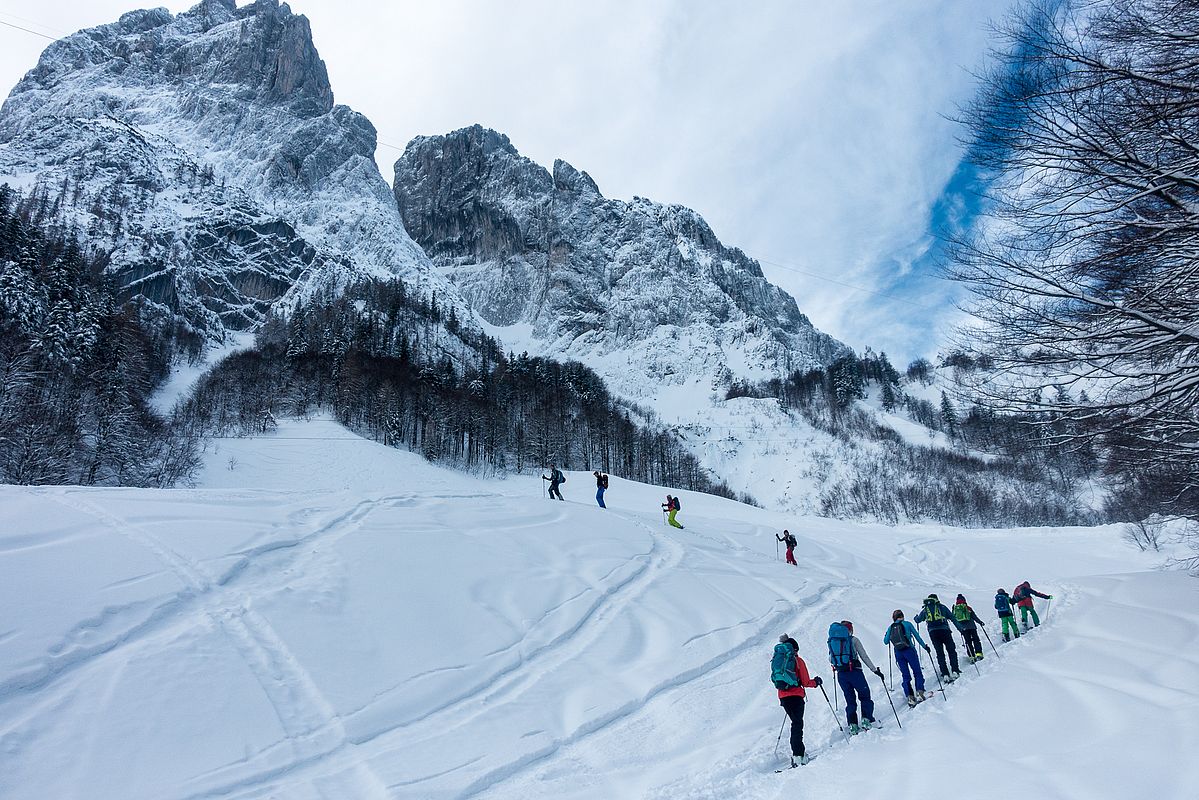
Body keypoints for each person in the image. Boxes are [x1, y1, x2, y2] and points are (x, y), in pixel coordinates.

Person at [772, 634, 822, 767]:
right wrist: (816, 682)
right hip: (796, 696)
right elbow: (805, 682)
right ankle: (798, 755)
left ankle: (798, 753)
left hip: (783, 697)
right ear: (795, 649)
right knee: (797, 724)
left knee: (795, 723)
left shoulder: (778, 659)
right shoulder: (797, 660)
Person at [827, 620, 884, 734]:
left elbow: (830, 659)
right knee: (865, 695)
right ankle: (866, 720)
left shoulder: (833, 641)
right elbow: (864, 656)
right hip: (855, 672)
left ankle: (852, 725)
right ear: (850, 629)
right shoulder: (853, 640)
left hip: (841, 675)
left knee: (850, 700)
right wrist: (874, 670)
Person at [883, 609, 931, 707]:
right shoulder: (907, 624)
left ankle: (910, 696)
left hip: (898, 653)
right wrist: (925, 646)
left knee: (905, 675)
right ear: (902, 616)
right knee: (917, 671)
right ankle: (919, 692)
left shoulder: (891, 627)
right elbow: (917, 637)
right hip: (909, 650)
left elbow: (886, 641)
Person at [914, 593, 963, 682]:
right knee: (951, 650)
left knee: (940, 653)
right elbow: (953, 618)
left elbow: (918, 620)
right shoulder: (942, 607)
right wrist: (961, 629)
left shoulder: (925, 609)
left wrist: (916, 617)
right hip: (945, 631)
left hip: (933, 633)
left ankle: (945, 674)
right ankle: (955, 671)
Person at [952, 594, 986, 663]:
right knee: (976, 640)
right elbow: (974, 616)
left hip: (963, 629)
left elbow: (955, 620)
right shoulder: (967, 607)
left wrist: (959, 629)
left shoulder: (955, 609)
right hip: (972, 627)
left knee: (968, 642)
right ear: (964, 600)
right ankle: (978, 654)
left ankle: (971, 657)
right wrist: (980, 622)